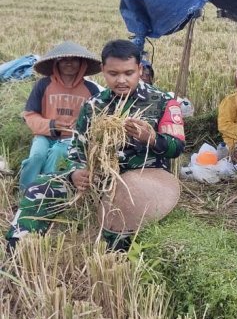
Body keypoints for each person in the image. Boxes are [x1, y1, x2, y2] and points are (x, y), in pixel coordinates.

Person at [5, 39, 186, 252]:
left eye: (128, 73)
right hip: (99, 176)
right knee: (40, 189)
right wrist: (75, 172)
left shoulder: (163, 101)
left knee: (118, 219)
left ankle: (115, 258)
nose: (121, 80)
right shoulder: (93, 105)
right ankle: (16, 253)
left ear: (139, 69)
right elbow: (77, 149)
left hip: (142, 177)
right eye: (113, 73)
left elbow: (177, 147)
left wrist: (152, 138)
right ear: (102, 70)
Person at [19, 41, 101, 191]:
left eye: (74, 60)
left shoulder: (91, 89)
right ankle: (24, 192)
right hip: (44, 135)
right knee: (36, 157)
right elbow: (30, 115)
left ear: (82, 63)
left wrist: (82, 126)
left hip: (72, 139)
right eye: (64, 60)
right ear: (56, 63)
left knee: (58, 154)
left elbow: (97, 119)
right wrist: (51, 125)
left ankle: (46, 190)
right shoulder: (43, 85)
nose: (69, 63)